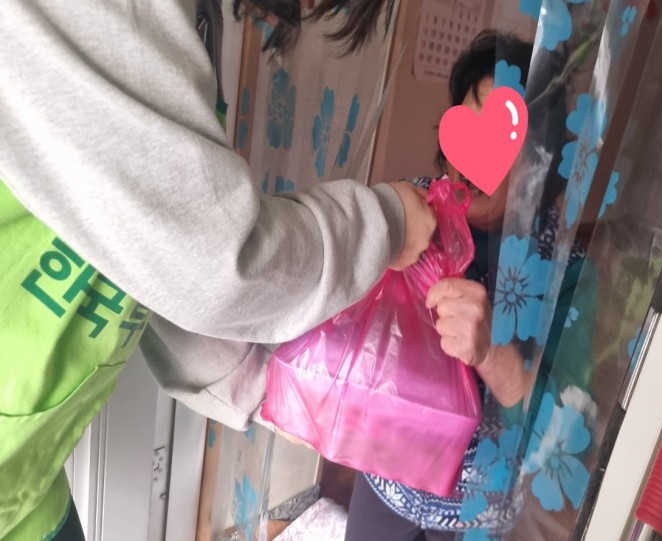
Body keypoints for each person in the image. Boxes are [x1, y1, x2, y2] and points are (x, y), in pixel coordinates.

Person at [0, 1, 433, 540]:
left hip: (29, 482)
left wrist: (265, 389)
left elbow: (156, 254)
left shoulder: (195, 21)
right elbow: (213, 265)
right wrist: (385, 223)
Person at [344, 30, 589, 540]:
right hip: (387, 474)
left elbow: (562, 442)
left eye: (504, 138)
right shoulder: (411, 212)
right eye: (467, 125)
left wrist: (493, 354)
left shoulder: (567, 272)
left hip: (478, 508)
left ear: (542, 162)